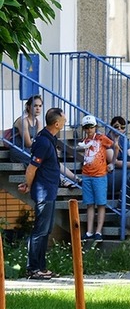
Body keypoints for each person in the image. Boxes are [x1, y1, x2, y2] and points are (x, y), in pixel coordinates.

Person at [16, 107, 66, 279]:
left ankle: (41, 268)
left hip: (49, 191)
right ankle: (33, 269)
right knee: (40, 230)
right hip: (43, 192)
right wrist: (29, 185)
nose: (65, 121)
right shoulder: (43, 142)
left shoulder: (49, 138)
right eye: (64, 119)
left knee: (46, 230)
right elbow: (31, 168)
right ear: (57, 123)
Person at [76, 115, 115, 242]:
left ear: (95, 127)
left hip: (99, 175)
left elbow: (115, 147)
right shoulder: (85, 140)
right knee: (90, 204)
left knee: (101, 204)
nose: (89, 130)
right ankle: (89, 231)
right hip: (87, 174)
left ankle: (98, 231)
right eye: (86, 127)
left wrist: (112, 163)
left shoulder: (101, 138)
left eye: (91, 127)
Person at [107, 116, 130, 199]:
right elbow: (115, 162)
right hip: (111, 174)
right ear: (111, 126)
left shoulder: (124, 139)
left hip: (124, 170)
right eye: (116, 126)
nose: (119, 129)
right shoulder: (106, 140)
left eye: (122, 127)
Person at [9, 95, 44, 164]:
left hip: (30, 150)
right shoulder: (23, 121)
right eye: (35, 106)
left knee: (45, 157)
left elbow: (39, 141)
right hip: (19, 150)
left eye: (40, 106)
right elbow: (28, 143)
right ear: (28, 107)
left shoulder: (39, 123)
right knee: (39, 159)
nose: (38, 108)